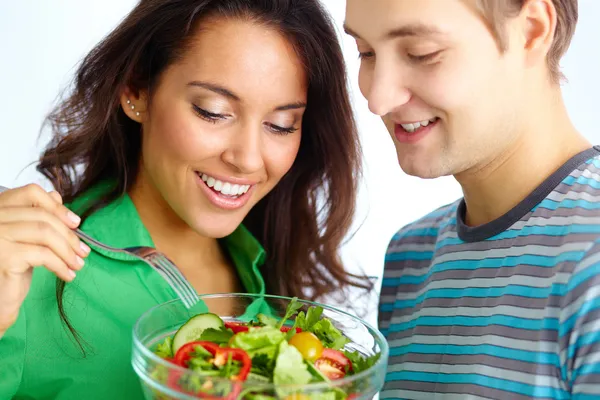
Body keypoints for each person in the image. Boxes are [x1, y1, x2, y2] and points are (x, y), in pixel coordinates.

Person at [0, 0, 371, 398]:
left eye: (281, 125)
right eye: (212, 112)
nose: (247, 159)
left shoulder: (284, 290)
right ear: (136, 91)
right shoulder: (25, 270)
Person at [344, 0, 600, 399]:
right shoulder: (410, 257)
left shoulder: (592, 259)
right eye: (367, 52)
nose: (378, 99)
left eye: (421, 53)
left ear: (531, 30)